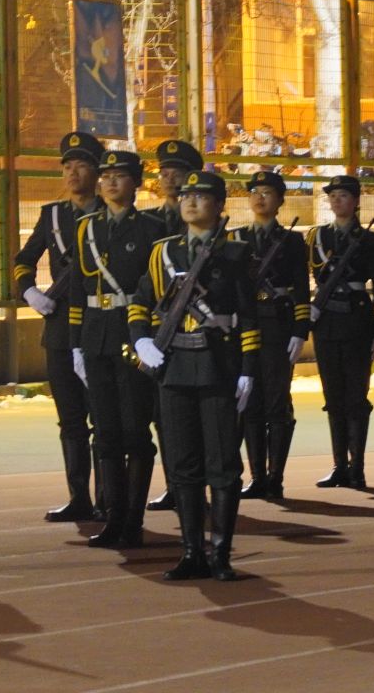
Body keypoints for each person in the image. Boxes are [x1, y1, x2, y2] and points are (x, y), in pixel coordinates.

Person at [129, 170, 260, 581]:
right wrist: (140, 340)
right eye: (186, 195)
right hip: (174, 367)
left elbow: (249, 316)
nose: (190, 201)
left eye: (200, 196)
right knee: (182, 464)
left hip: (218, 365)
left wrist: (247, 370)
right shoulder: (163, 253)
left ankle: (220, 552)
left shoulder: (235, 253)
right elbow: (140, 302)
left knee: (222, 464)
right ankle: (191, 551)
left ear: (219, 205)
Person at [64, 148, 168, 548]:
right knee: (105, 432)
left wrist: (151, 338)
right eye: (105, 176)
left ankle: (132, 521)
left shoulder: (152, 229)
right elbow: (78, 288)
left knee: (135, 430)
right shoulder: (85, 228)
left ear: (136, 183)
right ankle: (113, 517)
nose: (109, 182)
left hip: (133, 335)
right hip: (96, 335)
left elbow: (159, 289)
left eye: (119, 176)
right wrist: (76, 343)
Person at [11, 131, 106, 523]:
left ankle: (108, 499)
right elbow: (23, 260)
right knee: (70, 418)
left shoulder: (109, 214)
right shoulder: (52, 215)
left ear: (97, 172)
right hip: (60, 328)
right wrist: (29, 292)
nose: (72, 173)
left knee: (103, 417)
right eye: (67, 166)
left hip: (99, 326)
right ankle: (78, 497)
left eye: (80, 165)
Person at [305, 175, 374, 489]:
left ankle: (357, 467)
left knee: (356, 396)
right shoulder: (317, 236)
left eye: (343, 196)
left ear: (355, 201)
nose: (337, 201)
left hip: (357, 321)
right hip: (326, 320)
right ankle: (339, 464)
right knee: (333, 395)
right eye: (333, 196)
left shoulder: (369, 239)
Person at [233, 171, 310, 500]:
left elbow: (302, 288)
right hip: (246, 326)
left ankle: (275, 476)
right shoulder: (236, 238)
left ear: (280, 200)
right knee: (249, 402)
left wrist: (300, 329)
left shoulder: (292, 241)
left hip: (278, 324)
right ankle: (257, 476)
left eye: (267, 192)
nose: (259, 197)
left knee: (277, 402)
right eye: (255, 191)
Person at [144, 138, 203, 513]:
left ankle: (194, 485)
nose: (168, 178)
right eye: (164, 172)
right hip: (155, 329)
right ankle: (174, 484)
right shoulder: (146, 222)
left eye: (176, 172)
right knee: (161, 415)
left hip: (193, 328)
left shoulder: (200, 224)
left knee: (196, 415)